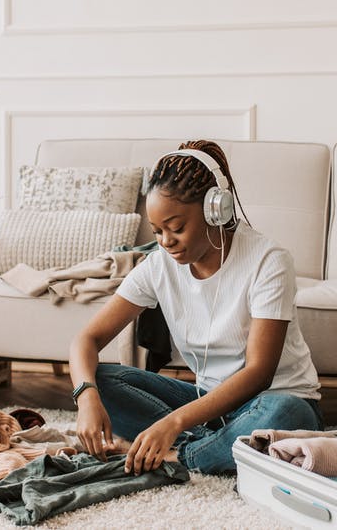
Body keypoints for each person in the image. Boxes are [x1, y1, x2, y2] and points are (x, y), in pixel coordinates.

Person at [68, 140, 323, 475]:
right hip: (206, 404)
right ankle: (220, 447)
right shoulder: (158, 266)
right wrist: (85, 397)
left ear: (214, 209)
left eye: (176, 228)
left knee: (286, 415)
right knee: (98, 379)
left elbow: (259, 374)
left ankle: (175, 455)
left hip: (272, 400)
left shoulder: (268, 261)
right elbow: (85, 341)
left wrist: (173, 423)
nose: (165, 241)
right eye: (158, 231)